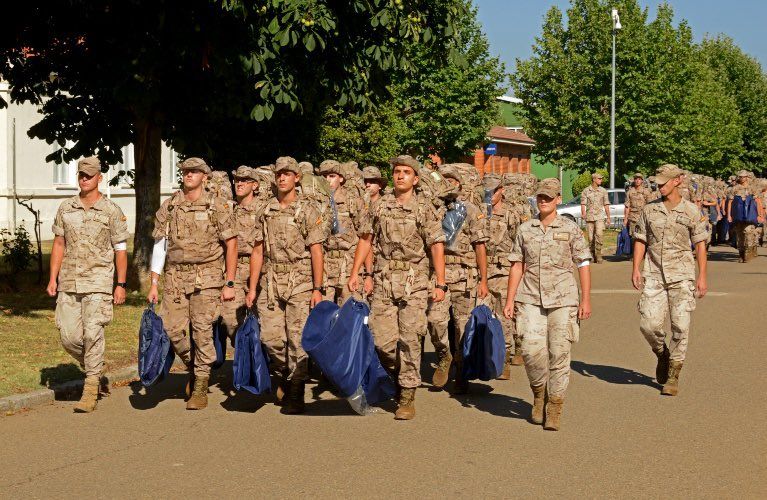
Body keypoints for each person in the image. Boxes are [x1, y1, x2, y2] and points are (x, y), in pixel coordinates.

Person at [347, 154, 446, 420]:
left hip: (414, 280)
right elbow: (366, 239)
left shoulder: (424, 208)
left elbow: (436, 245)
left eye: (405, 172)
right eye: (396, 172)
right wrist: (357, 271)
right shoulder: (379, 206)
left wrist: (441, 282)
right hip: (385, 277)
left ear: (415, 178)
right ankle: (399, 372)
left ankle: (407, 394)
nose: (399, 176)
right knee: (382, 339)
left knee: (410, 337)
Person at [147, 157, 238, 410]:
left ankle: (200, 384)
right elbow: (160, 245)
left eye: (194, 171)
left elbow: (231, 244)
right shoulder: (171, 206)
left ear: (205, 177)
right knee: (170, 328)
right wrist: (154, 282)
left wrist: (229, 281)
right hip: (175, 276)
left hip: (206, 278)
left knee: (201, 331)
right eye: (186, 171)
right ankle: (194, 365)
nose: (189, 175)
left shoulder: (217, 206)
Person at [503, 178, 592, 431]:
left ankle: (555, 405)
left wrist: (585, 298)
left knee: (559, 353)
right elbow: (517, 264)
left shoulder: (570, 228)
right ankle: (539, 393)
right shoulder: (525, 229)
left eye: (548, 197)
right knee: (531, 352)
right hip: (530, 297)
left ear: (557, 200)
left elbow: (583, 263)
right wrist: (510, 300)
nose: (543, 201)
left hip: (564, 299)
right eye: (540, 197)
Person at [47, 156, 129, 413]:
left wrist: (121, 284)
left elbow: (121, 250)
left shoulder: (111, 211)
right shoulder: (66, 208)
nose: (84, 179)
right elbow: (59, 244)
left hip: (98, 282)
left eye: (89, 175)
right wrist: (52, 277)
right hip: (69, 281)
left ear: (99, 178)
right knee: (69, 337)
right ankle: (97, 369)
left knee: (93, 334)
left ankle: (91, 386)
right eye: (81, 175)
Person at [246, 156, 327, 414]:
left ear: (296, 178)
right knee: (271, 339)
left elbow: (316, 250)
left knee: (297, 339)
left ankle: (296, 390)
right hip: (271, 281)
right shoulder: (266, 210)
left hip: (300, 280)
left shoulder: (307, 209)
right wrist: (251, 287)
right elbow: (257, 251)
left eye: (287, 173)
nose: (282, 177)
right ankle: (285, 373)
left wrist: (317, 288)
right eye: (279, 173)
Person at [631, 164, 709, 397]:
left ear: (678, 180)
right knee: (649, 325)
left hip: (682, 275)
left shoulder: (692, 211)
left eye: (664, 182)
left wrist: (702, 275)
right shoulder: (649, 210)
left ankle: (674, 373)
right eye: (657, 182)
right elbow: (641, 239)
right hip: (653, 273)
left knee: (680, 326)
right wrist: (636, 268)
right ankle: (661, 352)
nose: (659, 186)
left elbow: (701, 244)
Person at [426, 164, 489, 393]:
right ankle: (444, 356)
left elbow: (480, 246)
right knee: (435, 321)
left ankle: (462, 369)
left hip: (464, 275)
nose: (447, 184)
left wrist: (483, 280)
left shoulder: (471, 210)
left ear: (460, 184)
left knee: (462, 327)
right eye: (443, 180)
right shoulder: (432, 209)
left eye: (451, 180)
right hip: (438, 276)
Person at [220, 166, 266, 343]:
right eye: (237, 180)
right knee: (229, 317)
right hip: (234, 267)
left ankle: (260, 358)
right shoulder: (228, 210)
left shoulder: (264, 209)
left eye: (244, 180)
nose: (239, 183)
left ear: (254, 185)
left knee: (262, 318)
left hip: (260, 267)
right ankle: (243, 348)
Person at [482, 173, 522, 380]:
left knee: (504, 314)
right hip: (483, 272)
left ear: (501, 191)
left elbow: (520, 243)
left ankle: (505, 357)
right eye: (486, 191)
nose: (489, 196)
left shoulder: (511, 214)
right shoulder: (480, 212)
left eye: (492, 191)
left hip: (504, 271)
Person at [318, 159, 369, 305]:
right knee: (323, 315)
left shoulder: (353, 201)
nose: (327, 180)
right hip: (325, 266)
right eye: (324, 176)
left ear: (341, 178)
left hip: (349, 265)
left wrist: (366, 273)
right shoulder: (315, 202)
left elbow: (365, 238)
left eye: (332, 176)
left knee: (349, 316)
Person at [727, 170, 764, 262]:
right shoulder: (735, 188)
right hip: (738, 216)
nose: (742, 178)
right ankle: (741, 254)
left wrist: (760, 215)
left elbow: (758, 202)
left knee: (748, 233)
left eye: (744, 177)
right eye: (740, 177)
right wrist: (729, 215)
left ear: (747, 177)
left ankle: (748, 253)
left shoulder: (752, 188)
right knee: (740, 235)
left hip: (750, 216)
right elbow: (730, 202)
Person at [581, 173, 610, 263]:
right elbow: (583, 203)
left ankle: (599, 253)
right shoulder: (586, 191)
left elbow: (606, 204)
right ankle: (592, 253)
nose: (601, 180)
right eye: (599, 178)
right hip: (590, 216)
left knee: (599, 234)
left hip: (600, 216)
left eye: (601, 179)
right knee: (590, 238)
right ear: (594, 179)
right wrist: (583, 213)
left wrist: (608, 217)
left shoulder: (603, 191)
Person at [624, 173, 652, 241]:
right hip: (632, 218)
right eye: (636, 179)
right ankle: (633, 251)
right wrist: (625, 219)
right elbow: (627, 206)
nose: (637, 181)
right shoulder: (630, 192)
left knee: (643, 236)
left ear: (642, 181)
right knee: (633, 237)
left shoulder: (646, 191)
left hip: (643, 217)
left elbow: (650, 205)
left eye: (639, 179)